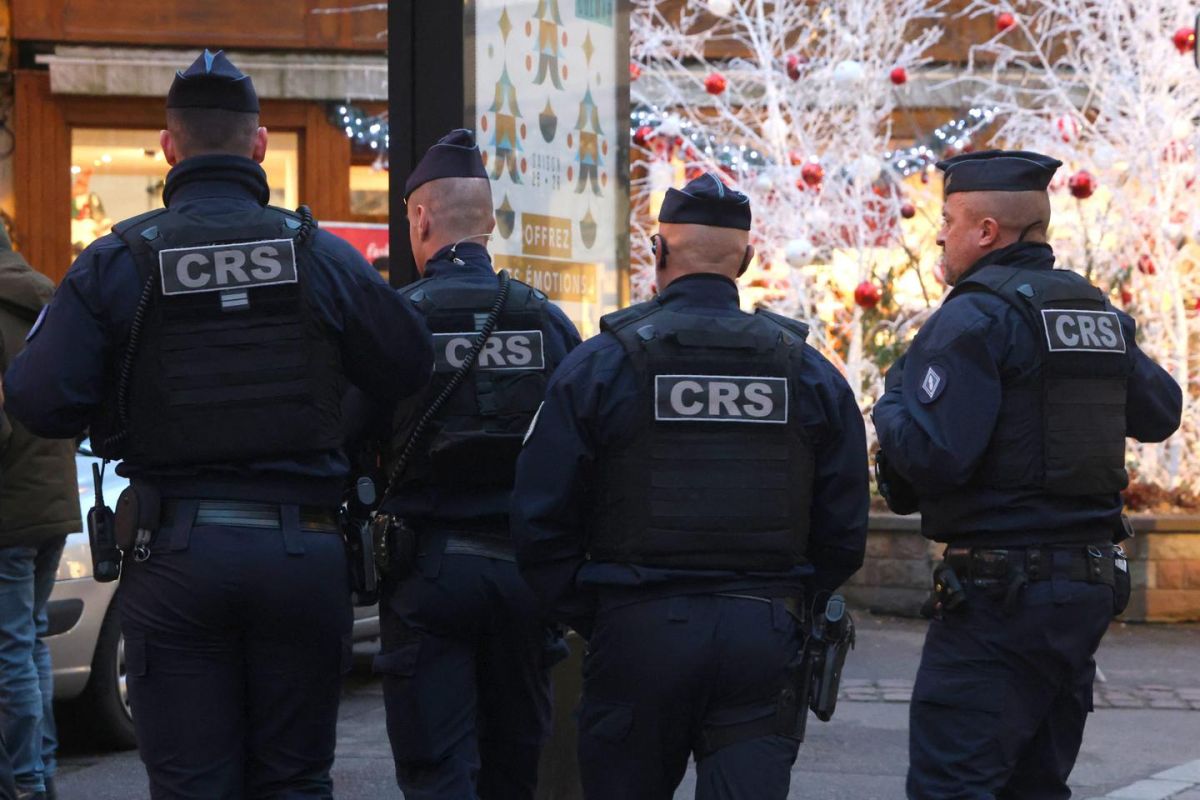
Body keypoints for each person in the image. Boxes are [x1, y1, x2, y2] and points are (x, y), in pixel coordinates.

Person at [4, 50, 433, 799]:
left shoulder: (119, 260)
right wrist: (332, 420)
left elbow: (37, 398)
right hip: (301, 554)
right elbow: (408, 363)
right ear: (258, 144)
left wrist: (120, 399)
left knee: (191, 786)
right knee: (295, 781)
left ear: (168, 148)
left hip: (177, 556)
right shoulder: (318, 255)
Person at [511, 173, 869, 800]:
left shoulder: (601, 365)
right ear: (746, 260)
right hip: (762, 633)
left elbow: (540, 517)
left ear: (658, 252)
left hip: (637, 630)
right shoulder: (807, 371)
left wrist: (600, 611)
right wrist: (788, 602)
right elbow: (843, 529)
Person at [872, 149, 1183, 800]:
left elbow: (934, 459)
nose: (939, 236)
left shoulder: (971, 317)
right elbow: (1160, 413)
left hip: (1000, 596)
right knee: (1034, 786)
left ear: (987, 231)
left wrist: (891, 405)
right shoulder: (1091, 311)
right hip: (1084, 589)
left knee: (952, 785)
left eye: (949, 220)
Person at [369, 129, 581, 799]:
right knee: (513, 769)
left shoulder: (395, 321)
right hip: (523, 578)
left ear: (420, 220)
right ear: (491, 223)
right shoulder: (547, 322)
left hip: (426, 574)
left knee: (438, 772)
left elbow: (348, 439)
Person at [0, 224, 77, 800]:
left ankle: (24, 780)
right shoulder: (47, 300)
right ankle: (41, 772)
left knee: (10, 651)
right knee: (30, 642)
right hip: (53, 497)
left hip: (9, 505)